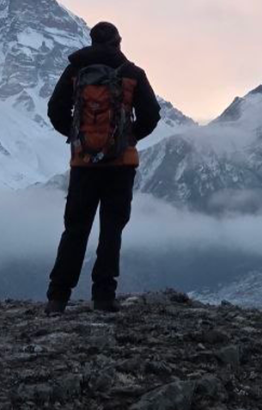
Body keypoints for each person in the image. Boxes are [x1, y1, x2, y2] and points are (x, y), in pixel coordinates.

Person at [44, 21, 161, 314]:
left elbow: (55, 109)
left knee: (75, 229)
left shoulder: (75, 71)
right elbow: (152, 114)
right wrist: (128, 137)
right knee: (111, 231)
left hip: (83, 164)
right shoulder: (132, 73)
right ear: (118, 42)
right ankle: (104, 297)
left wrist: (77, 137)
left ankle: (57, 298)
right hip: (120, 166)